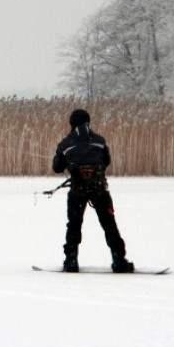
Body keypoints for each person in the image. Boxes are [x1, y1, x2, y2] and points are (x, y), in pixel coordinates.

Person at [51, 109, 134, 273]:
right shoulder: (99, 141)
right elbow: (106, 161)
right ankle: (119, 260)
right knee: (109, 224)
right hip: (99, 190)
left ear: (72, 123)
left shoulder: (65, 143)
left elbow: (57, 168)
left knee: (74, 225)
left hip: (77, 191)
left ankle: (71, 261)